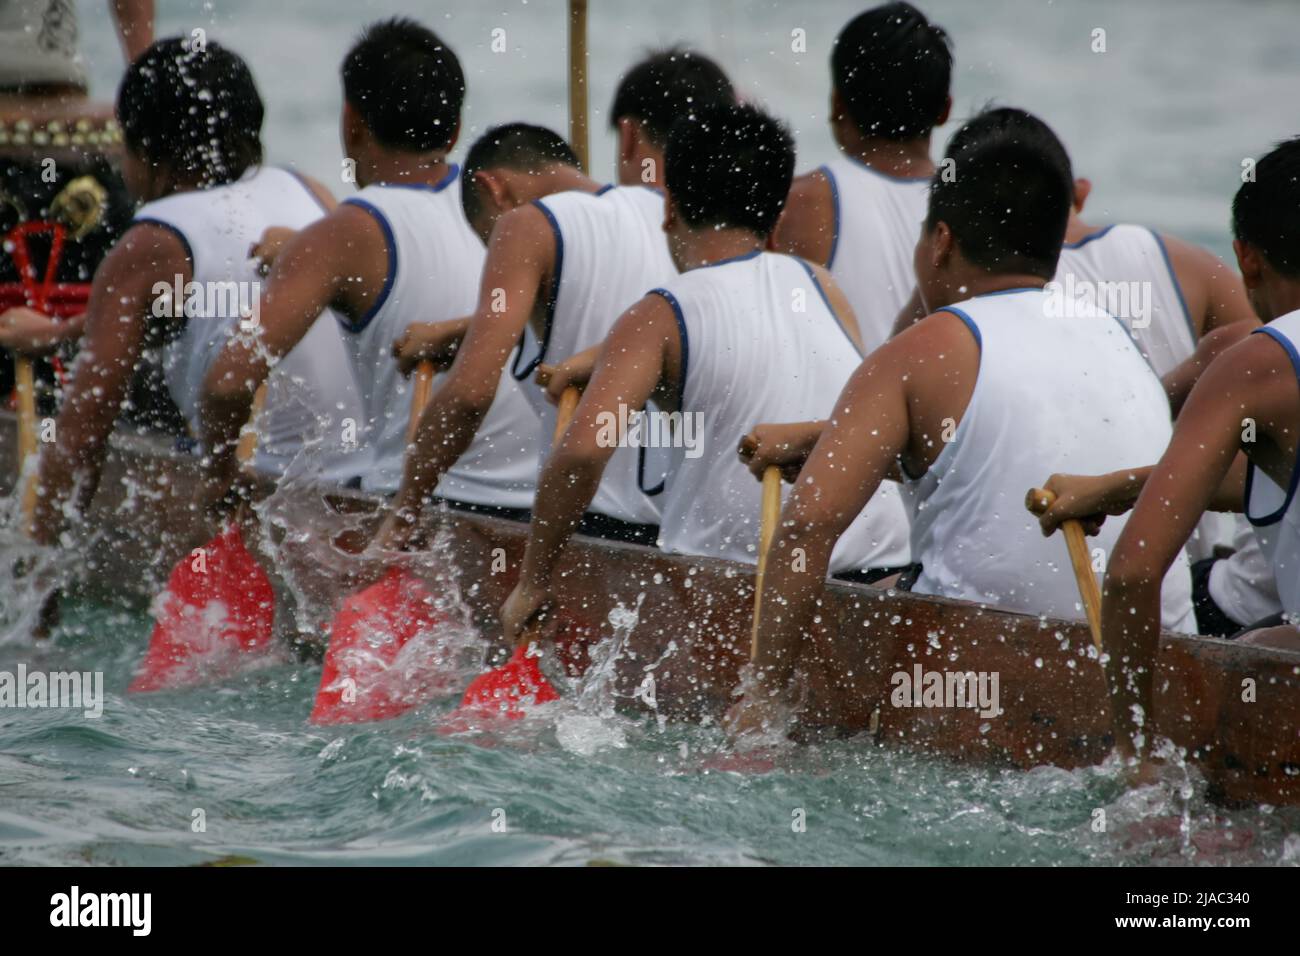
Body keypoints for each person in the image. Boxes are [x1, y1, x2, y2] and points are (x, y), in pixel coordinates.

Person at [726, 107, 1196, 736]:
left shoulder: (920, 351)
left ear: (941, 241)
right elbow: (989, 459)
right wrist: (820, 438)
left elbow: (807, 529)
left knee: (837, 606)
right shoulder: (1118, 337)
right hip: (1157, 673)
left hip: (982, 683)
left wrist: (761, 698)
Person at [499, 103, 912, 640]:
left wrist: (532, 583)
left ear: (669, 208)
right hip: (882, 578)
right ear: (776, 215)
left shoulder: (658, 314)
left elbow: (581, 453)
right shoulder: (820, 284)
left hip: (745, 589)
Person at [894, 107, 1273, 636]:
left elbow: (902, 420)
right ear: (1078, 196)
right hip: (1179, 570)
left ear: (945, 234)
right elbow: (1254, 374)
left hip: (1116, 581)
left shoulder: (946, 309)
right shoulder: (1190, 264)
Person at [376, 49, 736, 548]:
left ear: (494, 190)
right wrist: (465, 328)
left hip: (594, 525)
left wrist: (406, 508)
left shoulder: (527, 227)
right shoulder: (705, 231)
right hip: (700, 533)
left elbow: (468, 395)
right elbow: (648, 322)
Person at [200, 18, 538, 520]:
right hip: (541, 504)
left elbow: (227, 383)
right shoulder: (506, 202)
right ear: (457, 129)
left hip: (424, 510)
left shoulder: (344, 236)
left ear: (352, 122)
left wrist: (220, 476)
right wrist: (302, 251)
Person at [27, 37, 361, 544]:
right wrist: (61, 331)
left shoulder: (153, 238)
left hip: (262, 494)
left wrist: (38, 570)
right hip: (365, 485)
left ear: (148, 152)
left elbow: (80, 438)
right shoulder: (307, 190)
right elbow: (234, 295)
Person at [1034, 136, 1300, 760]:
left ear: (1248, 260)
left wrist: (1135, 753)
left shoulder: (1257, 363)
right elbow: (1267, 484)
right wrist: (1115, 488)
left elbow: (1131, 574)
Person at [769, 2, 951, 353]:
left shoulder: (798, 202)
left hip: (842, 407)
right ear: (944, 109)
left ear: (837, 104)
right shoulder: (976, 204)